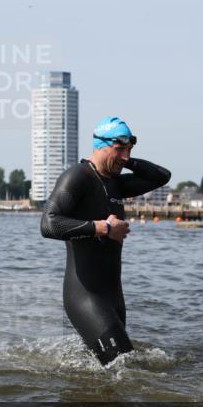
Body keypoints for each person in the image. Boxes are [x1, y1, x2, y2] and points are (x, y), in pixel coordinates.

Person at [40, 116, 171, 366]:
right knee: (124, 367)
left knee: (117, 369)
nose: (125, 156)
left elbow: (162, 176)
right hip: (85, 295)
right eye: (119, 149)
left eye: (130, 150)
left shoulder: (116, 183)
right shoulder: (77, 177)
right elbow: (48, 224)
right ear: (99, 145)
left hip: (113, 295)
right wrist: (103, 227)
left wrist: (125, 158)